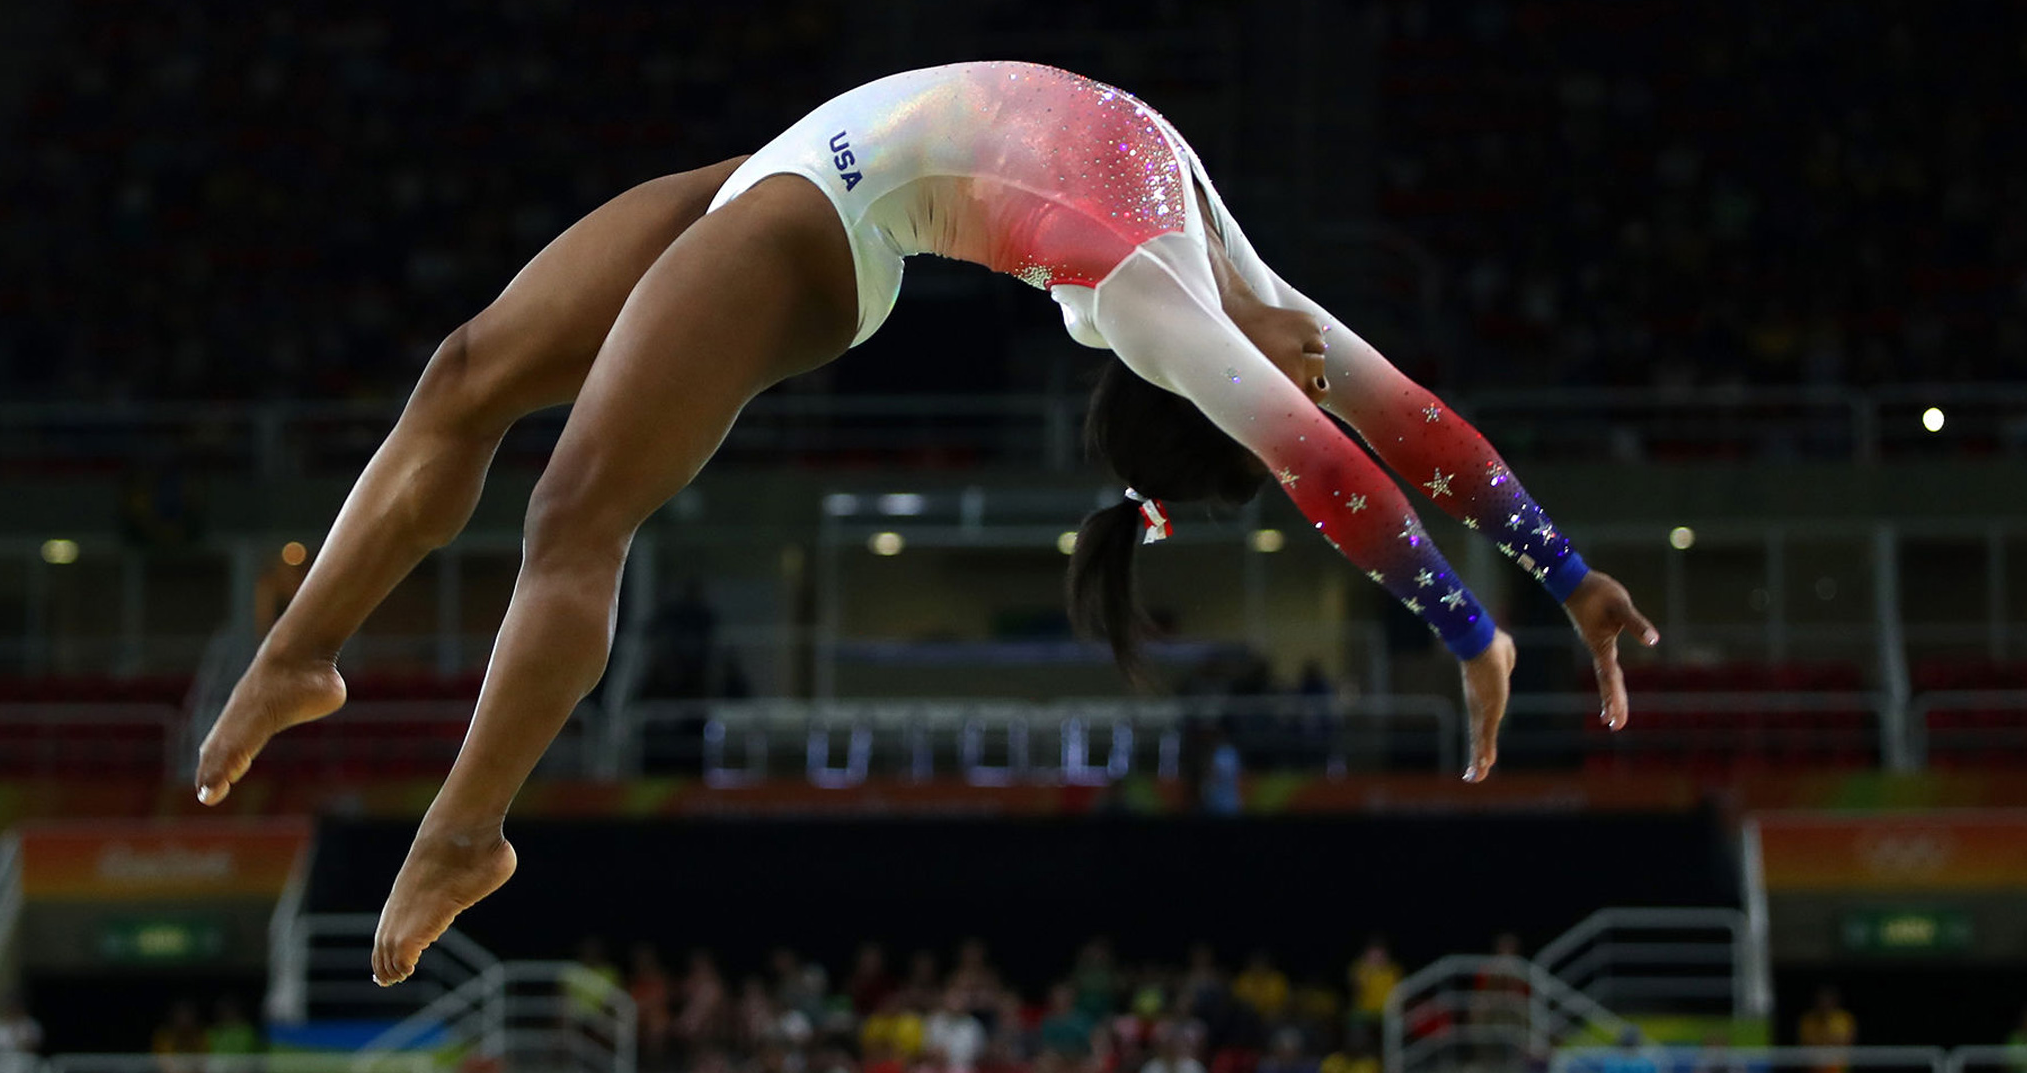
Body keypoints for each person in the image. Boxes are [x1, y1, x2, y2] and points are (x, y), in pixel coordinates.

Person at [188, 61, 1657, 984]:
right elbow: (1420, 430)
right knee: (463, 374)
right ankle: (302, 655)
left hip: (818, 232)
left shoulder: (1158, 301)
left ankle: (467, 828)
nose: (1328, 382)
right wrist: (1570, 573)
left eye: (1290, 399)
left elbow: (1340, 473)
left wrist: (1469, 627)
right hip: (786, 155)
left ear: (1219, 403)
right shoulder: (1248, 274)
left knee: (575, 510)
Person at [1796, 987, 1855, 1073]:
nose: (1824, 1004)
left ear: (1834, 1001)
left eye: (1827, 1001)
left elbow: (1846, 1042)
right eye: (1821, 1001)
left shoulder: (1845, 1019)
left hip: (1838, 1068)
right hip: (1815, 1068)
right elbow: (1807, 1043)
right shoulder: (1808, 1020)